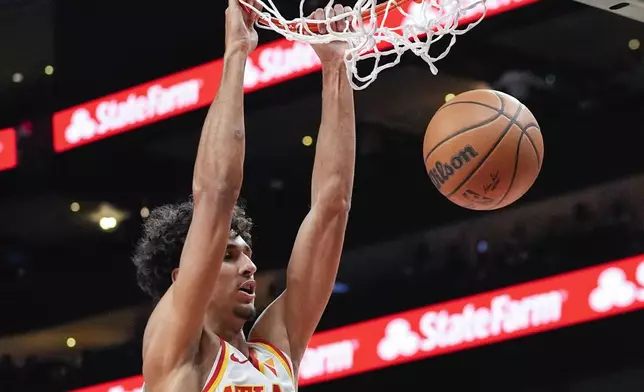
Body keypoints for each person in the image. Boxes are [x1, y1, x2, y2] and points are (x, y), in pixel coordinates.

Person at [131, 0, 356, 391]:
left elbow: (332, 206)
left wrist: (335, 66)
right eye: (229, 256)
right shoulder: (178, 353)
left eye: (247, 253)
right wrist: (236, 52)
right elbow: (216, 195)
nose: (250, 266)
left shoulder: (276, 351)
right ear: (183, 277)